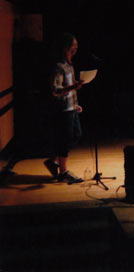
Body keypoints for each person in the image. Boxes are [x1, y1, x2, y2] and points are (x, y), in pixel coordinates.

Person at [43, 33, 84, 183]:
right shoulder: (59, 66)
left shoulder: (70, 65)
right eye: (74, 46)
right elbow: (55, 89)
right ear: (67, 47)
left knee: (76, 135)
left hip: (71, 107)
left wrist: (76, 103)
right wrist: (74, 86)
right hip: (63, 109)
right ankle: (63, 172)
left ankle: (53, 160)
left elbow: (71, 88)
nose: (76, 48)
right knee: (65, 139)